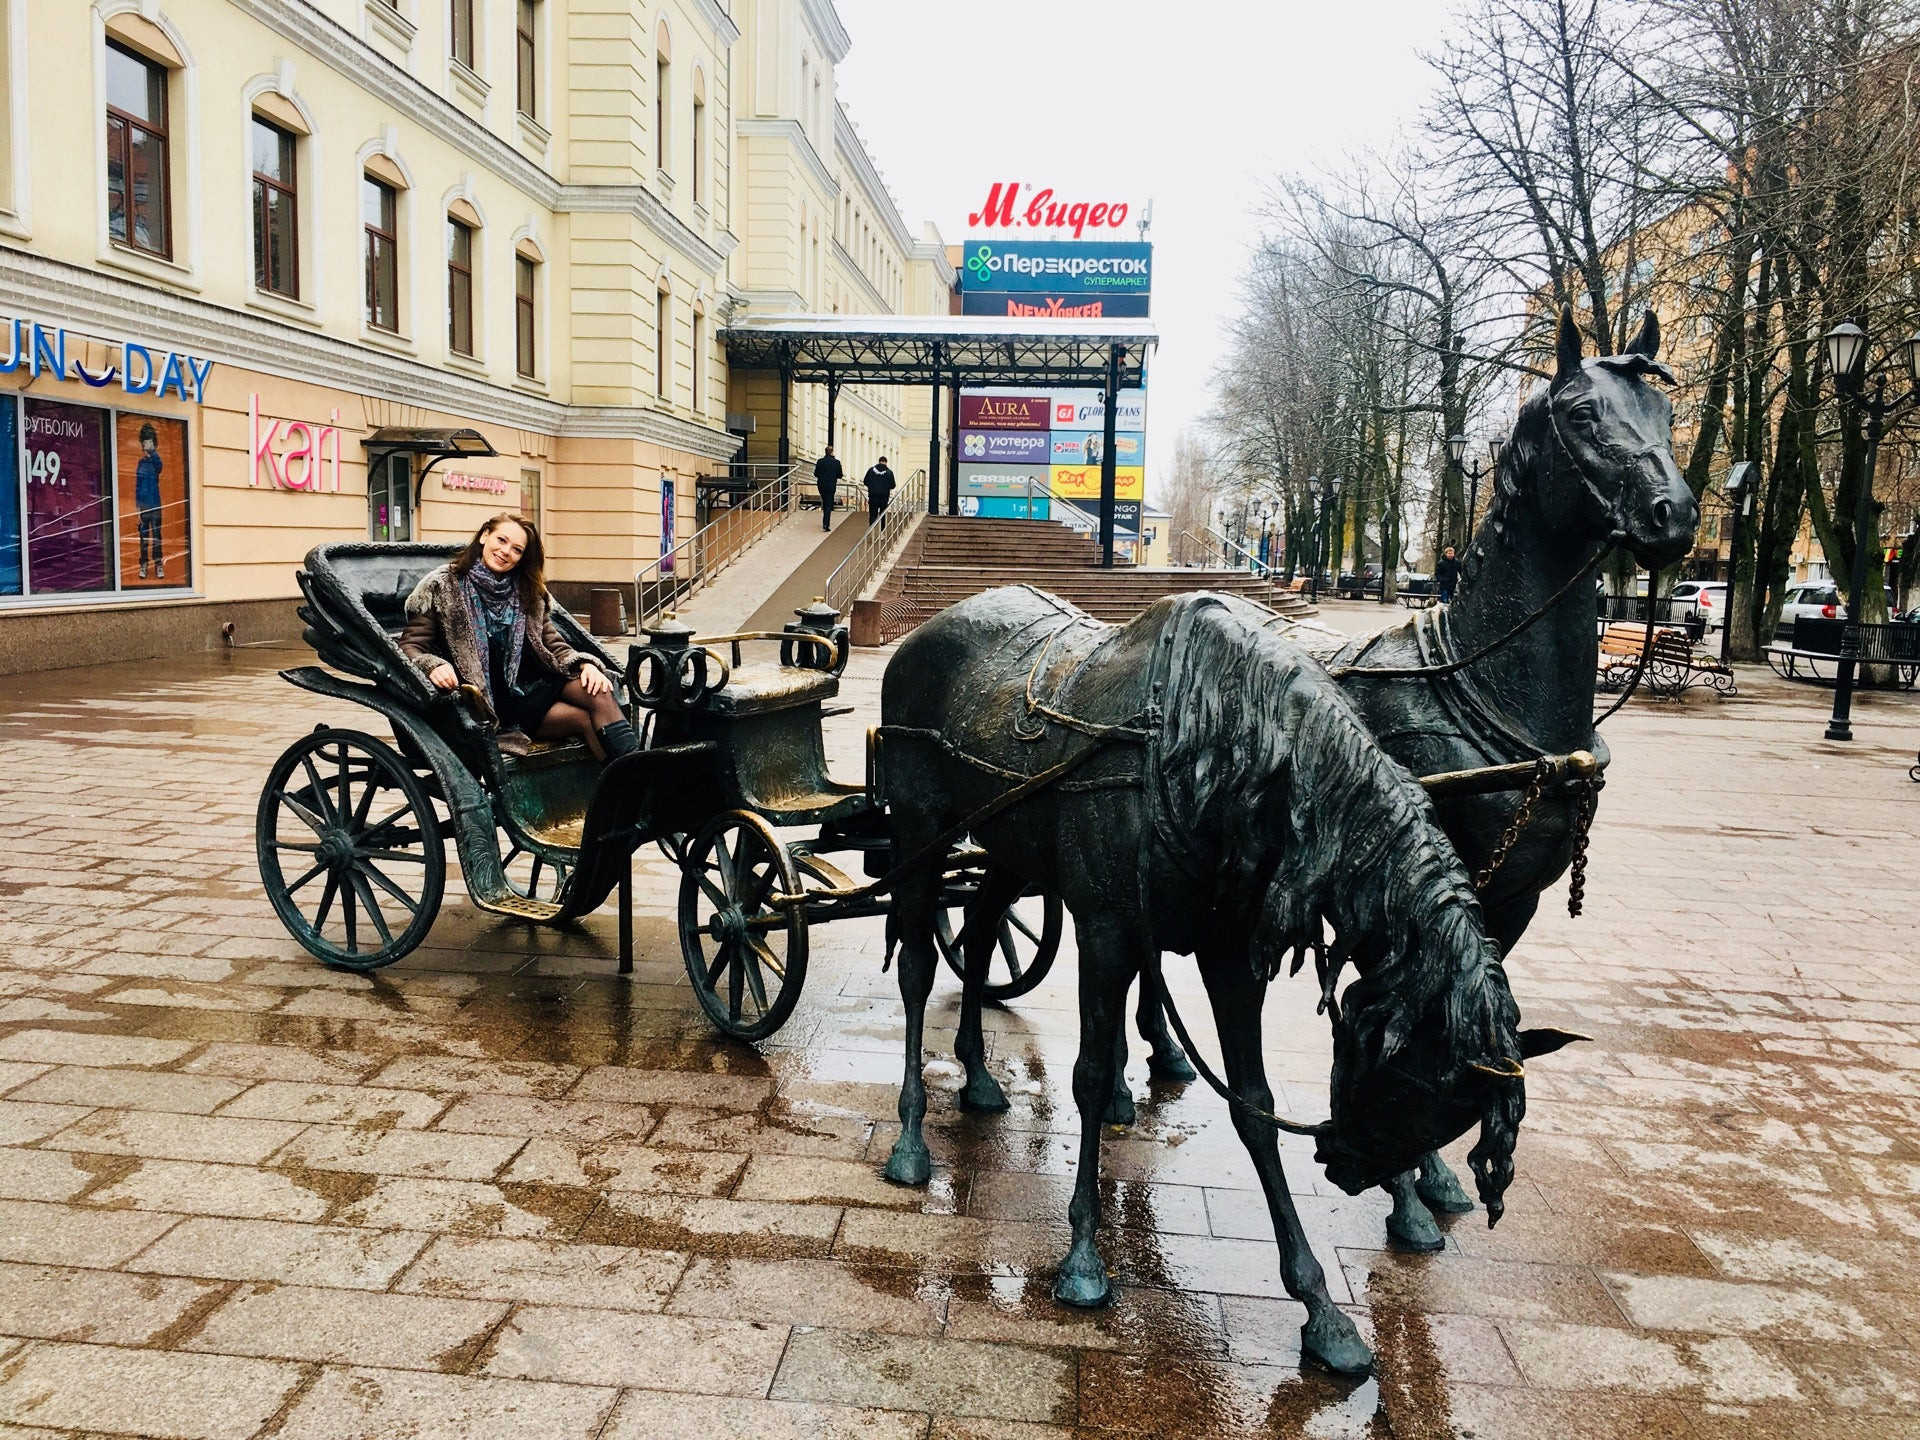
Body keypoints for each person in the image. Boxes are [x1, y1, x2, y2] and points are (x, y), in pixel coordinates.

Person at [399, 513, 637, 760]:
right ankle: (631, 785)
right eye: (501, 540)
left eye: (516, 549)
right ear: (484, 536)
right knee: (583, 719)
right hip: (488, 703)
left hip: (529, 689)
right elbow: (411, 645)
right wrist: (432, 665)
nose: (505, 552)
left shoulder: (527, 591)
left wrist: (586, 664)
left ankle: (632, 781)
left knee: (598, 690)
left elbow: (553, 645)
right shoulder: (442, 586)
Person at [135, 423, 164, 579]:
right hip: (144, 505)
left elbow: (160, 467)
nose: (146, 444)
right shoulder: (141, 463)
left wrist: (152, 451)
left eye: (150, 441)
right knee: (143, 535)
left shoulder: (154, 461)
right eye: (145, 442)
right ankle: (144, 564)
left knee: (157, 535)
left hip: (155, 504)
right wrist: (137, 507)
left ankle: (158, 563)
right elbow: (137, 486)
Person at [813, 446, 843, 531]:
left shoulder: (820, 461)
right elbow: (840, 475)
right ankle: (826, 523)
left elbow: (816, 474)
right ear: (832, 452)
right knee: (828, 504)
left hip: (821, 485)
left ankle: (825, 518)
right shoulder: (836, 462)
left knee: (825, 502)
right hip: (831, 485)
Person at [863, 455, 896, 525]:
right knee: (883, 515)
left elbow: (865, 481)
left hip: (873, 496)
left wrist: (872, 486)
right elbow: (893, 485)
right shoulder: (889, 472)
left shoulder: (871, 470)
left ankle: (871, 532)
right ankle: (882, 532)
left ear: (879, 461)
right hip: (884, 497)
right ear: (886, 462)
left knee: (872, 515)